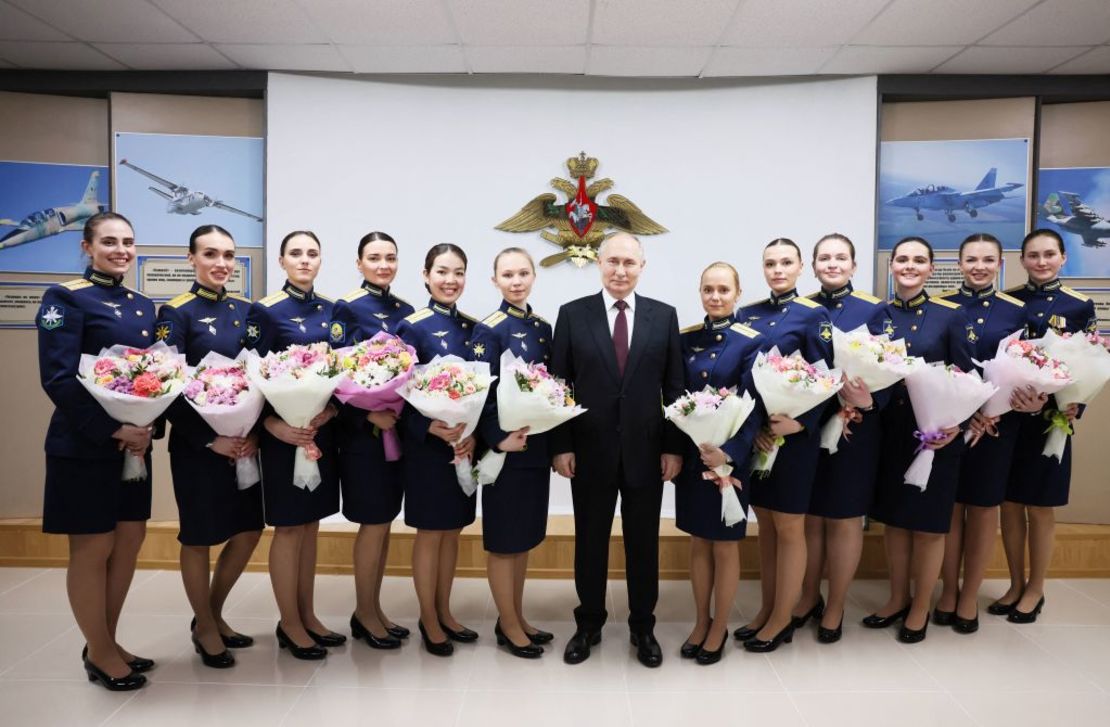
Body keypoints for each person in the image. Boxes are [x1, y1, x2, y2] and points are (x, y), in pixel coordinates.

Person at [550, 231, 684, 669]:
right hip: (588, 452)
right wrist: (561, 445)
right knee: (589, 541)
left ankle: (642, 625)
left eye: (629, 262)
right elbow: (558, 388)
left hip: (647, 453)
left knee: (643, 542)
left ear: (642, 267)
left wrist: (673, 448)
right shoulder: (572, 315)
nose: (620, 270)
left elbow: (676, 389)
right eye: (612, 262)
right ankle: (588, 622)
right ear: (598, 264)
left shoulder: (663, 317)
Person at [36, 212, 154, 690]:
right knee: (93, 548)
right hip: (83, 444)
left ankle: (106, 639)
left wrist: (145, 427)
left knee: (129, 540)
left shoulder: (145, 305)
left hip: (134, 447)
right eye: (109, 242)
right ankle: (100, 651)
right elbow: (58, 378)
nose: (120, 249)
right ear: (87, 247)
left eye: (127, 241)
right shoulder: (65, 298)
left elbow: (156, 376)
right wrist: (113, 430)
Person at [157, 225, 261, 668]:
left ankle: (212, 615)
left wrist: (252, 431)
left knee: (249, 530)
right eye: (211, 254)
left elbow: (262, 373)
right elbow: (166, 384)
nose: (221, 263)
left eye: (228, 255)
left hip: (243, 441)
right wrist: (208, 438)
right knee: (199, 537)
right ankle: (204, 623)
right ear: (191, 258)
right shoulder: (175, 312)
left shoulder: (248, 311)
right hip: (198, 444)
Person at [865, 236, 973, 644]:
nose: (910, 266)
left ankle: (921, 605)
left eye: (919, 260)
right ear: (891, 266)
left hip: (935, 435)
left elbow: (967, 378)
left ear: (930, 268)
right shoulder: (878, 316)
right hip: (891, 432)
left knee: (928, 526)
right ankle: (897, 597)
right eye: (903, 259)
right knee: (894, 521)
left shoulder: (949, 316)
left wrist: (957, 425)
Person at [246, 230, 344, 660]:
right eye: (296, 254)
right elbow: (249, 376)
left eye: (312, 253)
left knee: (311, 525)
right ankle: (288, 622)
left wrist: (330, 412)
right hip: (284, 437)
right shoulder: (264, 312)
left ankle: (308, 614)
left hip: (319, 434)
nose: (305, 260)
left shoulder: (333, 311)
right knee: (288, 529)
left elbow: (344, 371)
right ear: (283, 261)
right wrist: (271, 424)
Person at [734, 238, 833, 653]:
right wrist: (750, 428)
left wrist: (799, 423)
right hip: (758, 438)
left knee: (791, 527)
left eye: (786, 263)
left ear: (799, 269)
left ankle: (783, 617)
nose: (778, 270)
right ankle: (765, 609)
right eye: (771, 263)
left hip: (794, 440)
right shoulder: (747, 314)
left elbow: (829, 380)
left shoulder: (814, 314)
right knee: (767, 527)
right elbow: (739, 374)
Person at [935, 233, 1035, 634]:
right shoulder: (940, 308)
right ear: (959, 263)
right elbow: (933, 365)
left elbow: (1024, 367)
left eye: (988, 260)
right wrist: (965, 411)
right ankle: (947, 591)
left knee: (981, 511)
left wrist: (992, 409)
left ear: (1000, 265)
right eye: (971, 259)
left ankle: (969, 596)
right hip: (949, 424)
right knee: (949, 510)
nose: (979, 266)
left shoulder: (1016, 311)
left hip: (997, 426)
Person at [997, 229, 1098, 624]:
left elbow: (1091, 362)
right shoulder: (1009, 303)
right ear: (1022, 260)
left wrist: (1075, 405)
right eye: (1033, 255)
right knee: (1008, 503)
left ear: (1063, 258)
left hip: (1051, 420)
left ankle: (1036, 588)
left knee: (1040, 507)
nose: (1041, 262)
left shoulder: (1078, 305)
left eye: (1049, 254)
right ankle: (1014, 582)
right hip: (1010, 414)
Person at [796, 233, 886, 644]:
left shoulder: (873, 310)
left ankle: (836, 604)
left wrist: (868, 402)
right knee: (811, 517)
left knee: (845, 518)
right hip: (805, 428)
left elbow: (892, 367)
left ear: (853, 265)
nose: (832, 264)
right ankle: (807, 596)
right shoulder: (801, 309)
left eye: (841, 258)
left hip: (856, 428)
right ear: (813, 265)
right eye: (824, 257)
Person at [675, 262, 765, 665]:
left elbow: (756, 405)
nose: (715, 296)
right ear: (700, 292)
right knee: (698, 543)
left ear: (738, 292)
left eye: (723, 290)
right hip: (696, 457)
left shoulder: (751, 341)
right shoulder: (686, 339)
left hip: (730, 460)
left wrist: (728, 452)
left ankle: (720, 625)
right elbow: (676, 395)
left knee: (726, 546)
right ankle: (700, 620)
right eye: (708, 289)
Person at [330, 231, 414, 649]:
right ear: (359, 262)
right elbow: (339, 375)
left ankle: (375, 609)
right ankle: (364, 613)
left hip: (395, 430)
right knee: (372, 523)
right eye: (374, 258)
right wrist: (368, 413)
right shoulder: (347, 306)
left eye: (390, 258)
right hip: (363, 434)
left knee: (385, 524)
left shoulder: (406, 309)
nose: (383, 265)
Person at [395, 243, 480, 657]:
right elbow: (395, 396)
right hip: (428, 448)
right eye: (443, 271)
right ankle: (427, 617)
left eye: (459, 272)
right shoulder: (411, 327)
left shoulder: (473, 328)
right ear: (426, 274)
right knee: (430, 533)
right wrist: (428, 425)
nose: (451, 280)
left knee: (454, 531)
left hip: (463, 445)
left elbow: (482, 390)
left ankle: (445, 610)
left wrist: (474, 432)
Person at [470, 247, 554, 659]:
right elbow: (479, 393)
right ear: (495, 280)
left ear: (533, 277)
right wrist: (496, 438)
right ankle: (507, 624)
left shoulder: (543, 327)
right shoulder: (488, 329)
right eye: (508, 274)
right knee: (504, 541)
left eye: (523, 273)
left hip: (534, 449)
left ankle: (517, 616)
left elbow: (553, 389)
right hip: (504, 451)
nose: (516, 281)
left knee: (523, 539)